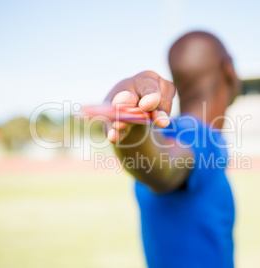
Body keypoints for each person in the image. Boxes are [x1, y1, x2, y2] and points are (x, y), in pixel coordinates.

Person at [103, 31, 241, 268]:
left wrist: (132, 120)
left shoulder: (165, 131)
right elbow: (164, 167)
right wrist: (128, 114)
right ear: (228, 68)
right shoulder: (202, 137)